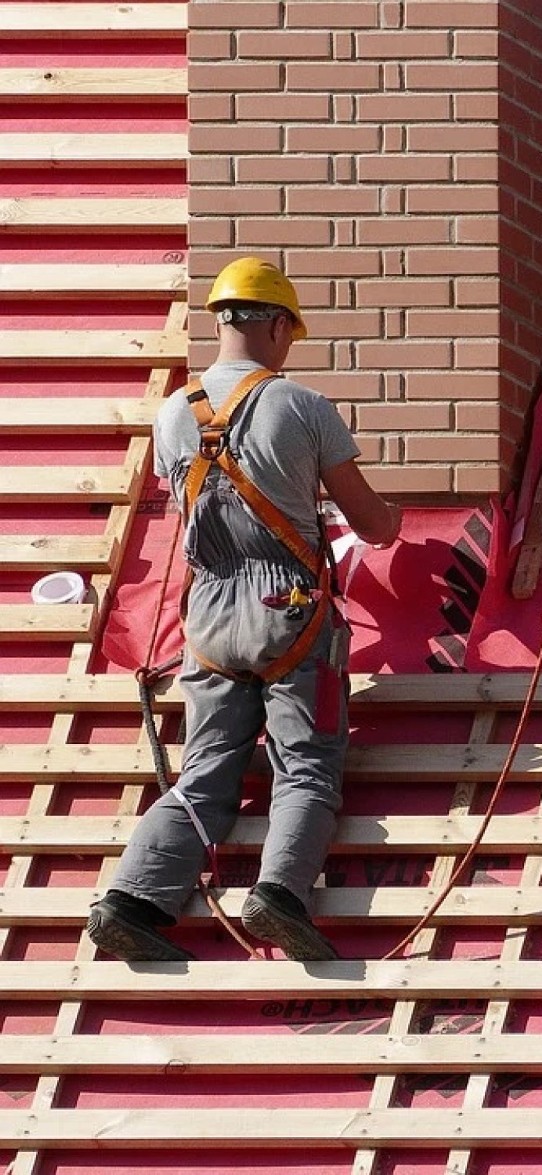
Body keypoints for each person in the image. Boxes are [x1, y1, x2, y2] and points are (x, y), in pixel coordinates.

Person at [87, 257, 401, 963]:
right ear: (276, 323)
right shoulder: (299, 405)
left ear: (224, 318)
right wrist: (392, 519)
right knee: (308, 764)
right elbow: (372, 524)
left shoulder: (174, 413)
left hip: (208, 617)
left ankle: (132, 900)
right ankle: (281, 894)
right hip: (286, 607)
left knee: (205, 770)